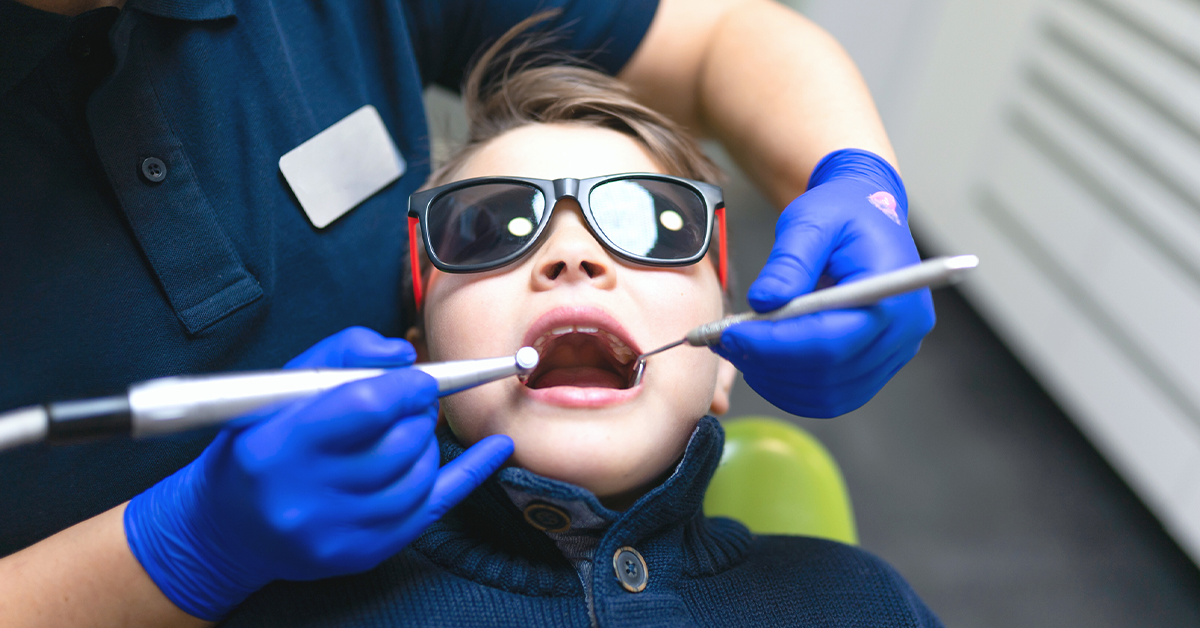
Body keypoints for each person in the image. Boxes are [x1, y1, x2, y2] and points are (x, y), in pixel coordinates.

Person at [0, 1, 934, 625]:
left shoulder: (856, 603)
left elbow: (720, 30)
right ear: (417, 349)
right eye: (492, 227)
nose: (572, 253)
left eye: (651, 222)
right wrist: (189, 544)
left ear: (728, 353)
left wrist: (864, 183)